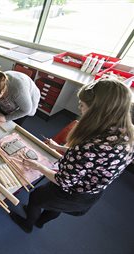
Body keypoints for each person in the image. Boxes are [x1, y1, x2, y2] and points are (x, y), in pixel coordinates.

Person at [9, 79, 134, 233]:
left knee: (36, 197)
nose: (79, 108)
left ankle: (27, 225)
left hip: (73, 192)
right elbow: (91, 160)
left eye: (82, 105)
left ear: (97, 111)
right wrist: (58, 147)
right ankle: (40, 221)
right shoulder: (127, 133)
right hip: (90, 189)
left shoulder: (90, 146)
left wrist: (38, 166)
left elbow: (63, 180)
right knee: (53, 205)